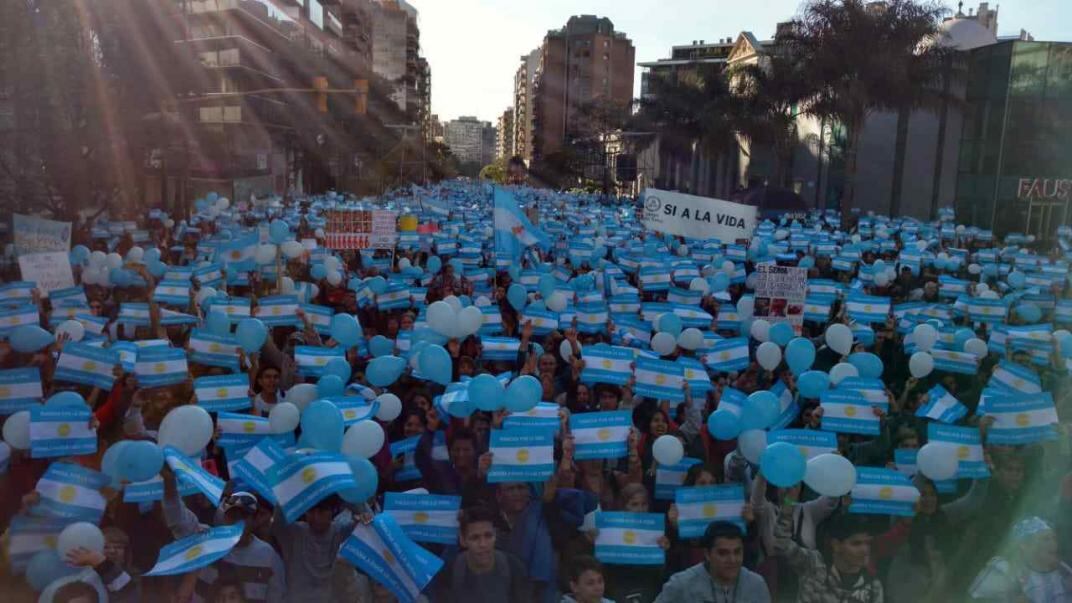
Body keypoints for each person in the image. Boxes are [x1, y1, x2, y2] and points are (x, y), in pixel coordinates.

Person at [773, 505, 882, 603]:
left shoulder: (873, 586)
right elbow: (781, 544)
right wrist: (788, 503)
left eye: (867, 543)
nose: (864, 550)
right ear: (836, 545)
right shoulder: (814, 564)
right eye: (856, 543)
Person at [655, 521, 771, 602]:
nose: (732, 560)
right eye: (723, 553)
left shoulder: (756, 584)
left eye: (737, 552)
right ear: (707, 554)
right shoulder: (681, 585)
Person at [437, 505, 532, 603]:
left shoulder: (513, 567)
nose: (483, 544)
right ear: (462, 540)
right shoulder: (450, 571)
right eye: (475, 538)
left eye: (488, 536)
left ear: (495, 535)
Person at [969, 517, 1072, 602]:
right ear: (1025, 545)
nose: (1053, 544)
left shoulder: (1063, 570)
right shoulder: (1003, 569)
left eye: (1054, 538)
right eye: (1046, 539)